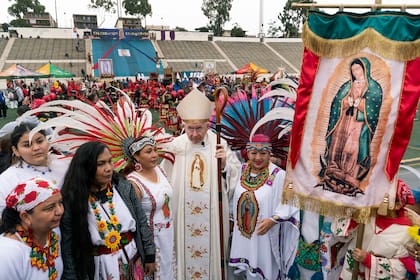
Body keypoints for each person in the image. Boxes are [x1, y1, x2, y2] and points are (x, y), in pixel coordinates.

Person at [160, 88, 242, 279]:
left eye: (199, 129)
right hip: (182, 213)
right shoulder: (176, 145)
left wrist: (224, 166)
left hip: (212, 215)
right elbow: (164, 179)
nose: (195, 134)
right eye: (190, 129)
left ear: (208, 125)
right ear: (184, 125)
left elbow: (234, 174)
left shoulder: (218, 143)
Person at [60, 141, 156, 280]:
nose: (109, 168)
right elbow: (68, 246)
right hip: (99, 267)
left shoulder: (123, 187)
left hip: (132, 259)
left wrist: (149, 254)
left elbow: (141, 221)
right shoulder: (73, 200)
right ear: (85, 167)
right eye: (101, 164)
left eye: (110, 161)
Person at [229, 134, 299, 279]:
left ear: (269, 154)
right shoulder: (240, 171)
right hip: (245, 236)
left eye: (263, 153)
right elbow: (227, 191)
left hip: (265, 237)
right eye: (254, 153)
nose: (258, 158)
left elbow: (292, 198)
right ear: (248, 153)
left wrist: (273, 220)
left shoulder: (279, 175)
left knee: (264, 271)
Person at [318, 57, 383, 196]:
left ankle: (350, 173)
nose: (355, 72)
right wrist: (345, 102)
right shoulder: (347, 85)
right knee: (338, 145)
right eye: (353, 70)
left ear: (365, 69)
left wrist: (361, 104)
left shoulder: (374, 87)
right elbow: (336, 103)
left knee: (352, 148)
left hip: (358, 123)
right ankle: (334, 170)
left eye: (358, 69)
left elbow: (374, 107)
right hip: (343, 121)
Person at [333, 179, 416, 279]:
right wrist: (354, 217)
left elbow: (401, 268)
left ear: (398, 205)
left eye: (385, 198)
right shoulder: (366, 214)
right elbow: (340, 236)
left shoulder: (407, 232)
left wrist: (369, 260)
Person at [124, 136, 176, 279]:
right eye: (148, 152)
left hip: (168, 237)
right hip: (152, 242)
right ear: (136, 156)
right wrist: (147, 255)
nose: (154, 155)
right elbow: (136, 222)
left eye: (155, 150)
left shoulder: (160, 170)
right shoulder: (134, 183)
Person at [0, 177, 64, 279]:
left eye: (60, 203)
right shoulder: (8, 253)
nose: (59, 211)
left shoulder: (53, 235)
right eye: (50, 208)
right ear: (25, 217)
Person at [0, 122, 70, 214]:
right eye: (27, 145)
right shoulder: (8, 179)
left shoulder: (65, 162)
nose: (36, 148)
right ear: (16, 150)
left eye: (40, 141)